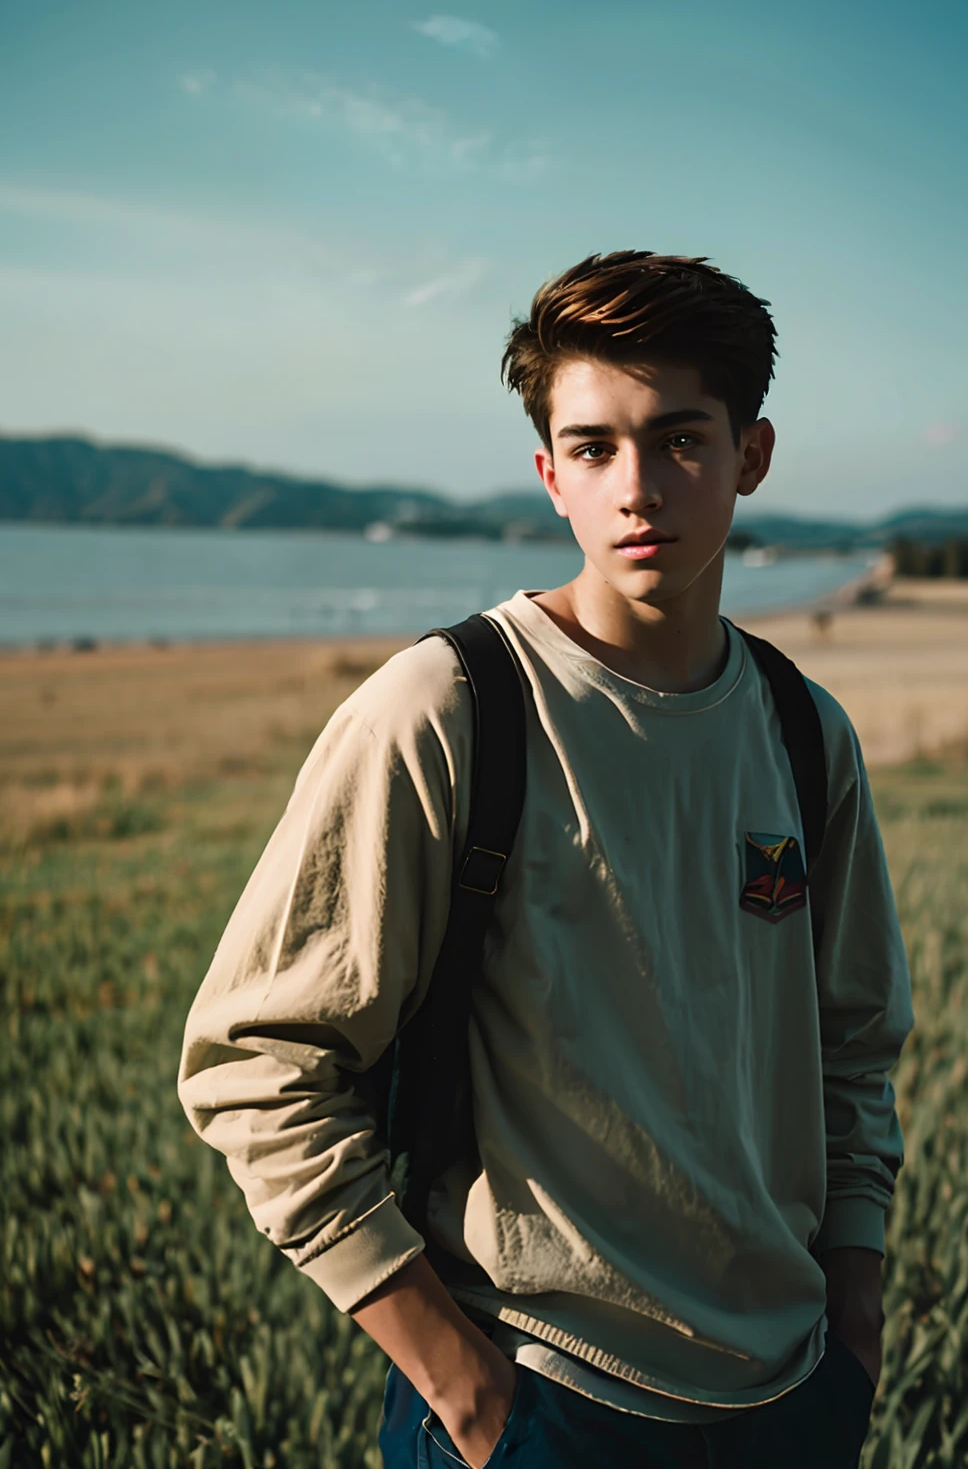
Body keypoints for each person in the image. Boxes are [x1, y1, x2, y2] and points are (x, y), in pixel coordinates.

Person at [178, 251, 914, 1468]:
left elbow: (852, 1049)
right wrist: (463, 1394)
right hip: (541, 1401)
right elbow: (251, 1064)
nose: (638, 490)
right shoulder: (449, 705)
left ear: (752, 456)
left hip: (792, 1397)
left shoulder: (800, 729)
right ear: (548, 476)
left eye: (681, 440)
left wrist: (854, 1320)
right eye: (593, 448)